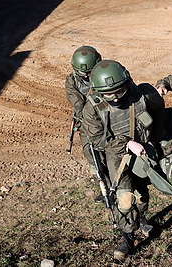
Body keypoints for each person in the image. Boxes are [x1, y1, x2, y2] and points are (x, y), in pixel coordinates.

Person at [80, 60, 164, 261]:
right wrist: (126, 143)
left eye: (119, 91)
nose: (115, 98)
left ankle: (142, 218)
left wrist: (157, 143)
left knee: (141, 194)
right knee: (125, 200)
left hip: (143, 151)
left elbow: (160, 115)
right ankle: (127, 238)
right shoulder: (93, 107)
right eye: (108, 94)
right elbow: (99, 141)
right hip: (116, 156)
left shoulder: (143, 95)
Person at [65, 45, 104, 202]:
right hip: (88, 122)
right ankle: (103, 186)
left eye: (89, 73)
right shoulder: (72, 81)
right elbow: (79, 106)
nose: (87, 77)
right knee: (92, 154)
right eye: (83, 74)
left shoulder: (105, 72)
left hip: (109, 115)